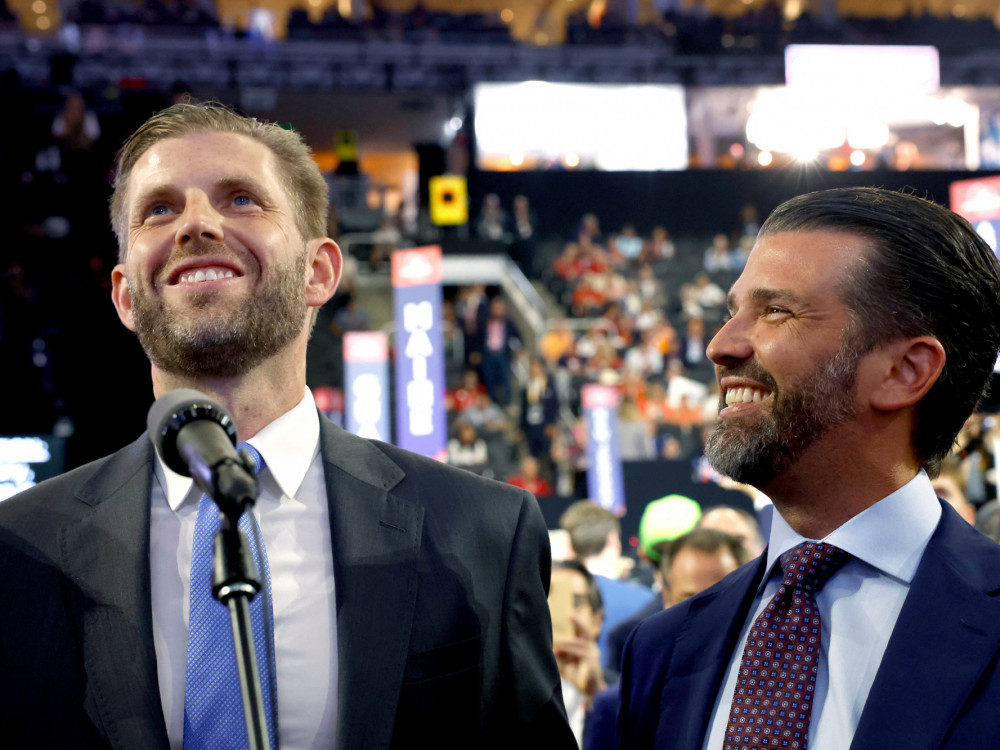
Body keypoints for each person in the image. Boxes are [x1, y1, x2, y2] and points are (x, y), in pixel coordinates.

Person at [0, 102, 575, 749]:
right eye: (159, 209)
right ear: (126, 296)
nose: (196, 223)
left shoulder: (483, 531)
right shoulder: (18, 550)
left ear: (318, 271)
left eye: (241, 199)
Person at [618, 187, 1000, 749]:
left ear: (904, 371)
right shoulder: (662, 649)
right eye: (731, 312)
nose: (720, 345)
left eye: (776, 311)